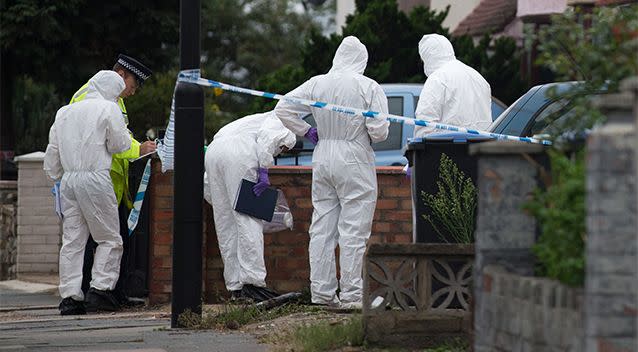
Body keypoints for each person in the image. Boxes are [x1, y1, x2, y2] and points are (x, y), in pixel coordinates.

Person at [274, 36, 389, 309]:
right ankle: (351, 296)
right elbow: (380, 131)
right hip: (354, 156)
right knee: (354, 229)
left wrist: (308, 131)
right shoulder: (367, 86)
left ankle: (323, 294)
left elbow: (283, 108)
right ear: (362, 60)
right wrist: (365, 132)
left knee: (322, 227)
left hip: (323, 155)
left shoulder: (317, 83)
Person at [44, 70, 132, 315]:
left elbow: (53, 154)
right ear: (113, 90)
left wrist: (57, 178)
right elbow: (120, 145)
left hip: (69, 180)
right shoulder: (109, 108)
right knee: (109, 238)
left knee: (73, 241)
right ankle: (100, 290)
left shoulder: (64, 112)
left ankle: (70, 297)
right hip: (95, 176)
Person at [70, 54, 155, 306]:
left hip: (107, 182)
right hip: (95, 181)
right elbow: (114, 140)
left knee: (110, 239)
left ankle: (108, 292)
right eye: (133, 85)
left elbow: (121, 135)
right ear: (120, 76)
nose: (133, 92)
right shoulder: (90, 98)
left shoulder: (113, 100)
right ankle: (91, 294)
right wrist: (139, 149)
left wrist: (138, 146)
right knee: (97, 241)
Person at [204, 111, 296, 301]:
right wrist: (264, 168)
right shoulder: (286, 122)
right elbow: (269, 140)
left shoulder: (250, 120)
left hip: (214, 152)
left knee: (225, 223)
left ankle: (235, 287)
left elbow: (210, 190)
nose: (283, 151)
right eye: (284, 149)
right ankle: (253, 285)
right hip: (240, 154)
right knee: (249, 219)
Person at [413, 34, 491, 138]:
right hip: (482, 147)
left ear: (428, 57)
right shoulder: (479, 78)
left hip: (449, 149)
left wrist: (420, 149)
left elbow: (425, 123)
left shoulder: (437, 79)